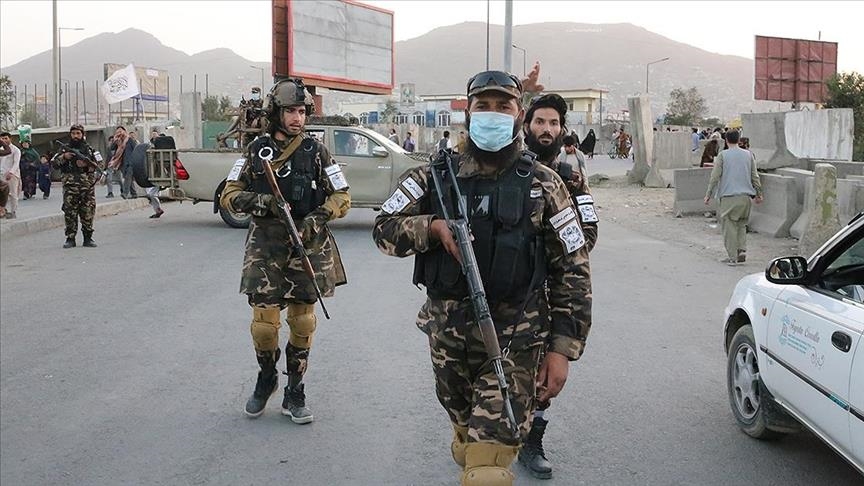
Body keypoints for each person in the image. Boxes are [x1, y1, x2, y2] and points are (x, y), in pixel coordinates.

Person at [372, 70, 592, 486]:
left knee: (487, 468)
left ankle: (483, 456)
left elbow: (573, 270)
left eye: (503, 107)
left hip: (516, 341)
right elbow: (384, 228)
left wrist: (562, 350)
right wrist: (432, 227)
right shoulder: (434, 175)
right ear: (469, 113)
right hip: (448, 339)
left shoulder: (545, 184)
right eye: (483, 106)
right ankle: (469, 443)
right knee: (466, 439)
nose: (493, 114)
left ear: (519, 114)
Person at [219, 78, 351, 422]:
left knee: (303, 322)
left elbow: (342, 196)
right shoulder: (255, 151)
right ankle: (267, 377)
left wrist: (317, 218)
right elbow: (229, 196)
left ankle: (295, 388)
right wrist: (264, 202)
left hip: (307, 244)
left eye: (302, 112)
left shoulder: (316, 151)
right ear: (275, 113)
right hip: (266, 246)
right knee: (264, 326)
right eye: (290, 111)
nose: (297, 118)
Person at [520, 93, 597, 479]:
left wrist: (555, 245)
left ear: (562, 129)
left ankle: (531, 440)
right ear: (527, 125)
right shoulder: (511, 170)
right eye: (540, 122)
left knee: (542, 374)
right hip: (510, 289)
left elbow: (589, 231)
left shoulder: (572, 179)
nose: (546, 129)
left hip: (550, 293)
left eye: (553, 123)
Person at [704, 130, 763, 266]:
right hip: (745, 198)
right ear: (738, 140)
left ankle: (732, 256)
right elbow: (755, 176)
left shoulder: (723, 155)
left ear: (726, 140)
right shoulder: (748, 155)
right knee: (742, 224)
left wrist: (708, 194)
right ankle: (742, 250)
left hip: (728, 197)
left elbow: (715, 177)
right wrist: (759, 193)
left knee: (729, 227)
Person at [52, 124, 99, 248]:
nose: (75, 136)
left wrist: (87, 165)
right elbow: (54, 163)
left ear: (83, 134)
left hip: (87, 187)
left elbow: (100, 164)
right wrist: (64, 157)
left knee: (88, 212)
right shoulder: (64, 149)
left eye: (78, 133)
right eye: (73, 133)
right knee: (70, 212)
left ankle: (88, 238)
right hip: (70, 187)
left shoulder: (90, 149)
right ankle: (70, 238)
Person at [108, 126, 138, 199]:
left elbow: (135, 148)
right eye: (118, 131)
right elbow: (111, 148)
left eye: (121, 131)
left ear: (124, 131)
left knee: (128, 177)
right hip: (122, 163)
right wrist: (115, 140)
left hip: (131, 162)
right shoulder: (118, 141)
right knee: (128, 178)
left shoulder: (129, 140)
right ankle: (134, 194)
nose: (120, 133)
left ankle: (125, 193)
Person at [0, 131, 21, 218]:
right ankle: (3, 211)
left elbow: (16, 163)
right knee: (2, 194)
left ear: (10, 139)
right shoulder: (1, 149)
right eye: (2, 139)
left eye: (6, 138)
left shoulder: (15, 150)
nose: (4, 140)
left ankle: (13, 211)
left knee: (13, 194)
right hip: (2, 174)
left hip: (12, 175)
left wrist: (11, 172)